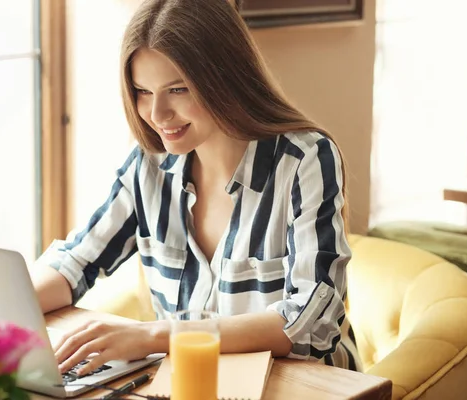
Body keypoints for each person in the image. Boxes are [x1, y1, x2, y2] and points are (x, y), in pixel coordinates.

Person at [31, 0, 362, 377]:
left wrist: (153, 336)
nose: (157, 115)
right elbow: (76, 263)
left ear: (225, 78)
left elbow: (308, 323)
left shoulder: (304, 160)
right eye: (142, 91)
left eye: (178, 89)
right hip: (193, 384)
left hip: (305, 387)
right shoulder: (149, 165)